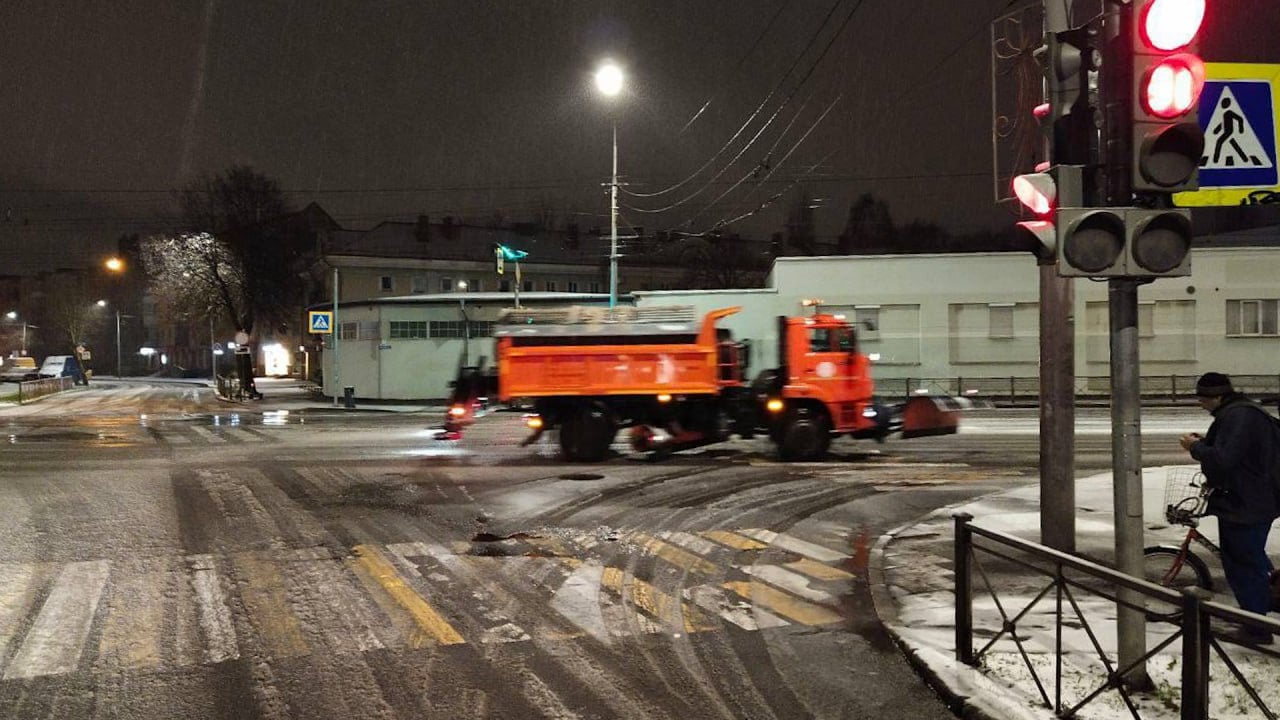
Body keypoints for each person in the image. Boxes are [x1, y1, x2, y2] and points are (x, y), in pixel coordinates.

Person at [1180, 372, 1280, 644]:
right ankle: (1260, 606)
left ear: (1217, 397)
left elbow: (1225, 460)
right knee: (1249, 559)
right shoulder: (1239, 413)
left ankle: (1256, 628)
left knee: (1242, 565)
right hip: (1252, 500)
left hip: (1246, 504)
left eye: (1203, 398)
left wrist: (1196, 447)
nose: (1201, 403)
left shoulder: (1238, 416)